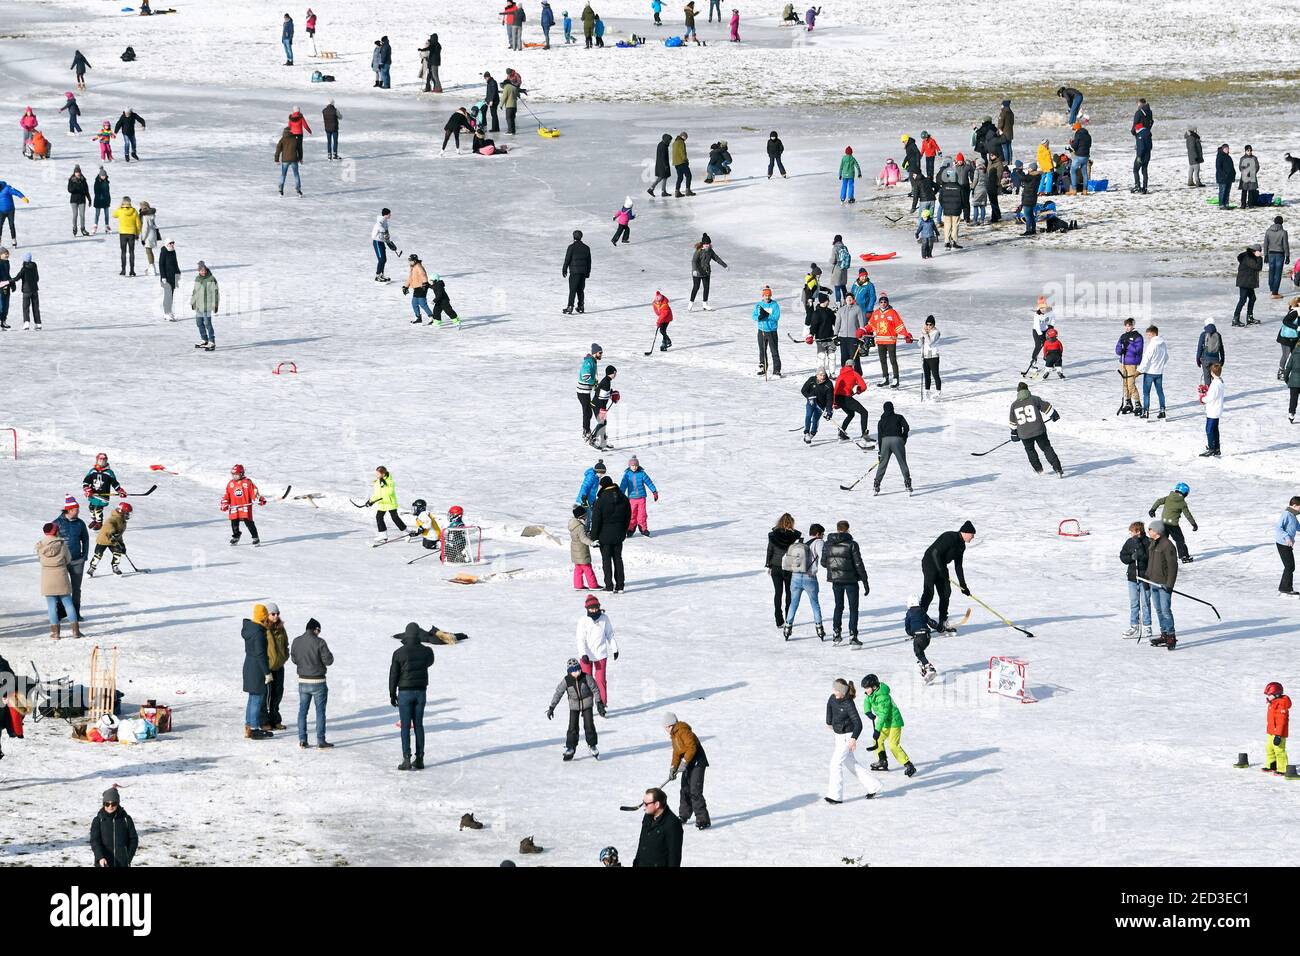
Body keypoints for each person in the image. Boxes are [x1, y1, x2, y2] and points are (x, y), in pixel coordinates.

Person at [824, 678, 880, 804]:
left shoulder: (848, 703)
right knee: (851, 763)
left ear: (842, 691)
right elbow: (829, 707)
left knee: (835, 763)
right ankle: (874, 785)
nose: (833, 691)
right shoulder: (832, 698)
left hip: (847, 737)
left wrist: (853, 739)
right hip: (838, 736)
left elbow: (858, 724)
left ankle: (835, 796)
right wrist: (829, 721)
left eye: (836, 689)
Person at [390, 622, 434, 769]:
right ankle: (420, 758)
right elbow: (429, 662)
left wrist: (392, 693)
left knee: (405, 727)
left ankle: (407, 759)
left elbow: (393, 675)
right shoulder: (427, 651)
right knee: (419, 725)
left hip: (405, 693)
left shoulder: (399, 653)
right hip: (421, 692)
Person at [919, 522, 974, 632]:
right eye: (972, 535)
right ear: (966, 532)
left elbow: (958, 566)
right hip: (930, 562)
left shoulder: (961, 546)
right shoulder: (949, 537)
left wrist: (963, 585)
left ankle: (943, 621)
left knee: (946, 592)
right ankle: (919, 620)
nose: (973, 537)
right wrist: (941, 570)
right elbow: (935, 553)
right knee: (929, 593)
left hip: (941, 567)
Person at [822, 519, 869, 646]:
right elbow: (858, 563)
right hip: (851, 580)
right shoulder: (852, 544)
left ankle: (836, 633)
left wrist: (834, 568)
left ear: (837, 529)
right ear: (847, 529)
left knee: (838, 606)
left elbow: (823, 562)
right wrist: (865, 580)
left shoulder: (828, 544)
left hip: (836, 580)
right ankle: (853, 636)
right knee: (853, 608)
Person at [548, 656, 604, 760]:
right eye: (574, 671)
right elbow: (558, 693)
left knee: (589, 725)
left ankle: (592, 745)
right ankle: (571, 747)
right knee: (572, 727)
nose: (577, 672)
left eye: (578, 669)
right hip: (574, 705)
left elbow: (595, 689)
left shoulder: (586, 677)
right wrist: (552, 707)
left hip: (586, 703)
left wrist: (599, 703)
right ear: (569, 672)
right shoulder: (566, 680)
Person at [289, 617, 333, 748]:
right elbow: (328, 661)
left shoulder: (296, 641)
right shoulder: (320, 642)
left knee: (302, 711)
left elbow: (294, 659)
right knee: (320, 712)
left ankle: (302, 740)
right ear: (316, 629)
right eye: (319, 631)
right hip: (318, 681)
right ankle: (321, 741)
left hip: (303, 681)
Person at [862, 673, 916, 775]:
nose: (865, 690)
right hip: (886, 723)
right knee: (877, 740)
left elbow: (883, 715)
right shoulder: (871, 694)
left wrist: (877, 730)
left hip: (894, 722)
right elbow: (867, 701)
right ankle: (882, 761)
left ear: (874, 687)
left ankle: (909, 765)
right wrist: (868, 711)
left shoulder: (883, 697)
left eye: (867, 688)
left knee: (893, 745)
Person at [1009, 381, 1064, 476]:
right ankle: (1058, 469)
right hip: (1039, 430)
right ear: (1027, 390)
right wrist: (1054, 415)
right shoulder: (1034, 399)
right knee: (1046, 448)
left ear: (1018, 392)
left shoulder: (1014, 405)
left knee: (1030, 451)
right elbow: (1047, 408)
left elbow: (1013, 423)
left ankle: (1039, 470)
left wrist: (1014, 433)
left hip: (1024, 434)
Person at [38, 522, 80, 640]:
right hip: (61, 575)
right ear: (55, 531)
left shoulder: (40, 545)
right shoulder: (62, 545)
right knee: (68, 603)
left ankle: (55, 633)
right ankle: (75, 632)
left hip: (47, 577)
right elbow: (68, 559)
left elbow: (39, 559)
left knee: (51, 606)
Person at [783, 523, 825, 639]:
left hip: (795, 576)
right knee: (815, 604)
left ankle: (787, 627)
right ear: (817, 534)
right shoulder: (818, 542)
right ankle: (819, 628)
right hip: (810, 577)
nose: (823, 537)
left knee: (793, 603)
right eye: (822, 534)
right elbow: (823, 557)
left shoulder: (800, 539)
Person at [590, 475, 630, 591]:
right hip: (619, 535)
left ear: (603, 486)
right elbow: (628, 517)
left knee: (606, 560)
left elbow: (596, 520)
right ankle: (620, 586)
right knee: (618, 559)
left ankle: (609, 585)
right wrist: (624, 531)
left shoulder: (601, 500)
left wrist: (594, 537)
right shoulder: (623, 498)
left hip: (604, 536)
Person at [53, 495, 89, 618]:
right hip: (62, 561)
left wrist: (84, 555)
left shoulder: (80, 523)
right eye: (75, 510)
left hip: (77, 560)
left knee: (76, 589)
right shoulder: (57, 523)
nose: (78, 512)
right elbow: (52, 542)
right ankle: (61, 612)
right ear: (69, 510)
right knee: (61, 587)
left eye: (78, 509)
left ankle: (76, 613)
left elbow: (85, 539)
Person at [242, 604, 273, 739]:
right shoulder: (258, 633)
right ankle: (254, 729)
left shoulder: (250, 628)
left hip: (249, 666)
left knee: (252, 697)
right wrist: (267, 673)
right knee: (257, 698)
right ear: (263, 617)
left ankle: (249, 726)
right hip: (256, 669)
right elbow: (260, 654)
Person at [1145, 522, 1178, 649]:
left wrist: (1170, 584)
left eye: (1150, 529)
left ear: (1157, 531)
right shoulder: (1153, 543)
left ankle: (1171, 636)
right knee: (1158, 609)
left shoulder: (1168, 546)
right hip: (1153, 582)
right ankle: (1164, 633)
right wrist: (1147, 576)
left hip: (1164, 583)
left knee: (1165, 610)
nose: (1148, 531)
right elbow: (1151, 563)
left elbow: (1173, 567)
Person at [765, 513, 801, 629]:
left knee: (778, 593)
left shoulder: (773, 535)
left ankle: (778, 619)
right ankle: (788, 619)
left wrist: (769, 565)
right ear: (792, 523)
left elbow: (769, 550)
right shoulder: (795, 536)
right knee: (789, 593)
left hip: (775, 566)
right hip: (789, 567)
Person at [632, 786, 682, 867]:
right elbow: (642, 843)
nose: (644, 807)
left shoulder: (672, 824)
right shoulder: (647, 816)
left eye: (646, 804)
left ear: (657, 804)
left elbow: (674, 855)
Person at [868, 294, 910, 388]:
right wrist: (863, 330)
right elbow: (871, 325)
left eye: (885, 302)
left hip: (890, 340)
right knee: (882, 360)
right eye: (881, 302)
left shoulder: (892, 312)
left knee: (893, 360)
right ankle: (885, 378)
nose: (883, 304)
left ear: (888, 303)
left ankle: (895, 379)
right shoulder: (876, 313)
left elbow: (899, 325)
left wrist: (906, 335)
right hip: (880, 340)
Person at [1149, 482, 1197, 564]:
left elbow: (1158, 501)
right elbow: (1188, 515)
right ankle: (1184, 556)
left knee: (1162, 540)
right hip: (1173, 526)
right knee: (1180, 540)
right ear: (1185, 493)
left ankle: (1156, 555)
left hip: (1163, 523)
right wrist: (1193, 524)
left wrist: (1152, 510)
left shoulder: (1168, 497)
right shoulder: (1182, 503)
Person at [1120, 521, 1153, 640]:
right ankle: (1134, 626)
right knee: (1134, 603)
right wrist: (1131, 558)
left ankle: (1147, 626)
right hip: (1132, 577)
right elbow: (1122, 556)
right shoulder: (1129, 542)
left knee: (1145, 603)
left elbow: (1149, 557)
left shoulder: (1148, 542)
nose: (1130, 534)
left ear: (1138, 531)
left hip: (1145, 577)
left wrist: (1140, 553)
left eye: (1132, 532)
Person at [90, 788, 138, 867]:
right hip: (104, 863)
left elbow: (133, 839)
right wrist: (100, 857)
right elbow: (95, 841)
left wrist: (128, 858)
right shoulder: (98, 820)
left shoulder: (126, 819)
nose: (110, 806)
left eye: (113, 804)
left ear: (118, 804)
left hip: (122, 864)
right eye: (107, 804)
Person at [873, 401, 911, 495]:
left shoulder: (881, 421)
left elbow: (880, 436)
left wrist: (880, 451)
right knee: (902, 463)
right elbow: (906, 427)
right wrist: (904, 437)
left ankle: (876, 484)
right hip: (897, 440)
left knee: (882, 464)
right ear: (893, 408)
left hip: (885, 442)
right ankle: (907, 483)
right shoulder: (899, 417)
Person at [82, 452, 127, 531]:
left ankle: (99, 523)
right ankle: (94, 520)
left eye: (104, 459)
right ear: (97, 460)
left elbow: (114, 483)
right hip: (93, 494)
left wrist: (120, 490)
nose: (102, 461)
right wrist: (87, 489)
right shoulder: (93, 471)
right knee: (91, 507)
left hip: (103, 495)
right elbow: (86, 481)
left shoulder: (109, 472)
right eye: (100, 459)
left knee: (98, 508)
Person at [222, 463, 264, 545]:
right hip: (234, 506)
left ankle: (255, 537)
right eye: (233, 474)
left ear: (241, 473)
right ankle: (236, 536)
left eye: (236, 474)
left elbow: (254, 491)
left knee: (248, 522)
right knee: (234, 522)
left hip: (245, 506)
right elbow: (227, 495)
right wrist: (225, 503)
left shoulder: (247, 482)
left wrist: (259, 499)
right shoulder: (230, 484)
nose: (234, 476)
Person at [87, 501, 131, 579]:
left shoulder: (123, 522)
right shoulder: (113, 518)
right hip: (104, 539)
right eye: (127, 513)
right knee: (98, 554)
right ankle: (91, 569)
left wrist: (122, 544)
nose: (128, 515)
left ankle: (115, 567)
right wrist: (112, 532)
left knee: (118, 552)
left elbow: (120, 534)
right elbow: (109, 525)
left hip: (113, 540)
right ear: (121, 512)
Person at [1136, 324, 1168, 419]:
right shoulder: (1163, 344)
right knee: (1160, 392)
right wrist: (1160, 365)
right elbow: (1166, 357)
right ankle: (1162, 411)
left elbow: (1146, 359)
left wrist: (1138, 371)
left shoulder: (1152, 345)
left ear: (1154, 334)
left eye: (1149, 335)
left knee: (1146, 393)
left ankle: (1145, 412)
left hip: (1150, 373)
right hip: (1159, 372)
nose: (1147, 337)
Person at [620, 455, 658, 536]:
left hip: (641, 498)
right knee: (632, 514)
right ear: (629, 466)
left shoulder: (642, 473)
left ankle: (643, 528)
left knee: (642, 514)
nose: (634, 467)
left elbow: (649, 482)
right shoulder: (627, 475)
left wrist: (654, 491)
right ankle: (630, 528)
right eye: (632, 466)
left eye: (636, 465)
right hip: (631, 498)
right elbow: (623, 485)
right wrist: (620, 495)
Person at [832, 361, 869, 443]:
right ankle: (864, 435)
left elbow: (836, 388)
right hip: (846, 398)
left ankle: (841, 433)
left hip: (838, 398)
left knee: (851, 414)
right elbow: (863, 386)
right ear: (853, 366)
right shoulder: (854, 373)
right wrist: (859, 390)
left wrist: (834, 402)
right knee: (864, 412)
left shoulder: (840, 374)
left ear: (845, 365)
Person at [1114, 317, 1144, 415]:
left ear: (1133, 325)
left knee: (1131, 384)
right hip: (1123, 362)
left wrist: (1128, 346)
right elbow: (1117, 349)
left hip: (1132, 363)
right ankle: (1128, 402)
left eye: (1129, 325)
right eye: (1126, 326)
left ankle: (1137, 403)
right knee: (1125, 384)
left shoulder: (1137, 336)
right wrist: (1121, 350)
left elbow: (1138, 350)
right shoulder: (1123, 336)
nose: (1127, 327)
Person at [690, 234, 727, 311]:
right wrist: (694, 270)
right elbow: (694, 261)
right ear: (703, 244)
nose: (707, 245)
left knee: (706, 288)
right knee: (696, 287)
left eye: (708, 244)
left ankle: (705, 304)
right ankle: (691, 303)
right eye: (705, 244)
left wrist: (725, 266)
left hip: (706, 272)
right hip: (697, 272)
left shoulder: (710, 251)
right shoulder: (698, 251)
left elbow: (717, 258)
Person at [369, 466, 406, 541]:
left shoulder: (389, 481)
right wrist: (370, 501)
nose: (376, 475)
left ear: (383, 474)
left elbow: (389, 492)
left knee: (395, 518)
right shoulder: (377, 482)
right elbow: (376, 494)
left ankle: (406, 532)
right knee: (379, 517)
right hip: (382, 503)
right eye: (376, 473)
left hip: (390, 503)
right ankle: (383, 535)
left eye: (378, 474)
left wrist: (384, 484)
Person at [904, 596, 936, 681]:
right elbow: (931, 622)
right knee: (921, 653)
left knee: (918, 652)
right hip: (927, 637)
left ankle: (928, 667)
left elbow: (907, 627)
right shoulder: (922, 611)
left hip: (918, 637)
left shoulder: (909, 613)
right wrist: (940, 628)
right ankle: (923, 666)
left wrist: (911, 633)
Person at [752, 285, 781, 375]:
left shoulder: (774, 305)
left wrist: (767, 315)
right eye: (765, 295)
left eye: (769, 296)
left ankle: (776, 370)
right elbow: (754, 316)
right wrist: (759, 317)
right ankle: (763, 368)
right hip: (762, 330)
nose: (767, 297)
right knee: (762, 350)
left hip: (772, 330)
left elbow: (776, 317)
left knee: (774, 351)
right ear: (763, 296)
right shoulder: (758, 305)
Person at [191, 260, 219, 350]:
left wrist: (215, 304)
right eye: (201, 270)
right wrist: (193, 302)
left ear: (206, 270)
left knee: (207, 323)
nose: (203, 272)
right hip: (199, 306)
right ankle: (204, 340)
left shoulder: (211, 279)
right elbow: (195, 291)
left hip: (207, 305)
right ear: (198, 271)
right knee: (199, 323)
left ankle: (212, 341)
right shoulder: (197, 278)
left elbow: (215, 292)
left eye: (204, 270)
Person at [835, 290, 865, 374]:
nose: (849, 299)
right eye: (847, 298)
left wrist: (861, 337)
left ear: (853, 299)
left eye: (850, 298)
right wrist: (835, 335)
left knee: (854, 357)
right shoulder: (841, 310)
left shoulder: (857, 309)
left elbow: (861, 324)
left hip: (854, 337)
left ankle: (857, 374)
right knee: (844, 357)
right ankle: (845, 374)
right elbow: (837, 323)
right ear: (845, 299)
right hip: (843, 337)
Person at [569, 505, 599, 590]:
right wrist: (592, 543)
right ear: (581, 517)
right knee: (587, 567)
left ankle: (578, 585)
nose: (586, 518)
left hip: (575, 550)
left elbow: (581, 536)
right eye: (585, 516)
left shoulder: (573, 525)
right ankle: (593, 585)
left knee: (578, 568)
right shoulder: (580, 527)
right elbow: (583, 538)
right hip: (581, 550)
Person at [1264, 682, 1291, 775]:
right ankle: (1272, 765)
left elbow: (1281, 722)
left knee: (1279, 750)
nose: (1267, 696)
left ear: (1276, 694)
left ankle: (1282, 769)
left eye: (1269, 695)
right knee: (1269, 748)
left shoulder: (1281, 705)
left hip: (1279, 733)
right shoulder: (1272, 703)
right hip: (1272, 732)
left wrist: (1278, 735)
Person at [800, 369, 833, 444]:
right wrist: (809, 397)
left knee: (815, 419)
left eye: (824, 375)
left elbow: (830, 399)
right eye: (820, 375)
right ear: (817, 375)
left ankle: (812, 433)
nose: (822, 377)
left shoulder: (829, 384)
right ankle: (806, 433)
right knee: (808, 415)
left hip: (821, 405)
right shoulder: (812, 380)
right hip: (811, 402)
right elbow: (803, 390)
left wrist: (829, 410)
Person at [562, 229, 591, 314]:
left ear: (573, 236)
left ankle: (570, 306)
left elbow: (567, 259)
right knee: (580, 290)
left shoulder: (571, 247)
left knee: (573, 290)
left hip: (574, 272)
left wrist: (564, 269)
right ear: (581, 237)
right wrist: (588, 272)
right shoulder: (586, 248)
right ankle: (581, 306)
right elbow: (589, 261)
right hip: (583, 272)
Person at [576, 344, 602, 436]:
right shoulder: (588, 362)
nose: (601, 354)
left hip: (586, 391)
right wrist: (593, 382)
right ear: (595, 353)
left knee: (588, 412)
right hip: (582, 392)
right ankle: (586, 432)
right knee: (587, 412)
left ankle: (586, 430)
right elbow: (585, 376)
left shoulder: (593, 361)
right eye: (600, 353)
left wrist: (595, 384)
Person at [1233, 245, 1262, 326]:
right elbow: (1257, 267)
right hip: (1245, 282)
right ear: (1255, 251)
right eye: (1259, 251)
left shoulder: (1250, 256)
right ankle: (1235, 319)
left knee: (1252, 298)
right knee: (1242, 300)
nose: (1260, 253)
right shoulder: (1248, 257)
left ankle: (1250, 318)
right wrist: (1259, 258)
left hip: (1248, 282)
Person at [111, 197, 140, 276]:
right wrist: (137, 233)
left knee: (123, 252)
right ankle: (132, 271)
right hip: (132, 234)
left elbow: (113, 214)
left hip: (123, 234)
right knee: (131, 252)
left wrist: (120, 206)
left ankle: (123, 270)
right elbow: (138, 224)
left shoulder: (120, 211)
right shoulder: (134, 211)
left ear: (123, 202)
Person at [1264, 216, 1291, 299]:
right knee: (1278, 273)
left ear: (1274, 222)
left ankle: (1272, 287)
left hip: (1271, 253)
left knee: (1271, 271)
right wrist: (1287, 256)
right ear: (1282, 222)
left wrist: (1265, 255)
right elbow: (1285, 245)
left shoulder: (1268, 231)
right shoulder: (1283, 232)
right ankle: (1275, 292)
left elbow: (1265, 244)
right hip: (1280, 254)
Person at [403, 253, 434, 322]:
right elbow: (410, 278)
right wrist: (405, 287)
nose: (410, 262)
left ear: (415, 261)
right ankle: (418, 318)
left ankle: (432, 317)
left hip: (422, 287)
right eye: (409, 261)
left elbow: (423, 274)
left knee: (422, 303)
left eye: (411, 261)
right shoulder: (412, 267)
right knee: (414, 303)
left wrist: (425, 283)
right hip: (416, 288)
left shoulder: (418, 266)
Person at [1196, 317, 1225, 388]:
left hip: (1205, 359)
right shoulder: (1218, 335)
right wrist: (1222, 359)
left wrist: (1198, 360)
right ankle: (1217, 393)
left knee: (1207, 377)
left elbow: (1199, 348)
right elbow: (1221, 348)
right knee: (1216, 377)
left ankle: (1208, 394)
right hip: (1216, 359)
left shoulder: (1203, 334)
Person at [1202, 363, 1223, 458]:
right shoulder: (1220, 382)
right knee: (1215, 429)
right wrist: (1207, 391)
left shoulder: (1215, 384)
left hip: (1213, 410)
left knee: (1209, 430)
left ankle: (1211, 448)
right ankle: (1216, 448)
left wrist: (1203, 398)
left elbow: (1210, 397)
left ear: (1213, 373)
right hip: (1217, 409)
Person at [274, 125, 303, 197]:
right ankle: (298, 191)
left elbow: (278, 149)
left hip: (285, 160)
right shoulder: (295, 139)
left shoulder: (282, 139)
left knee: (283, 175)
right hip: (294, 159)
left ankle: (281, 191)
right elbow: (299, 149)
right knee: (296, 175)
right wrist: (300, 158)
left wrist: (276, 159)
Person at [16, 253, 40, 329]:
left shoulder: (24, 268)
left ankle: (26, 323)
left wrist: (9, 281)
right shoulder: (34, 266)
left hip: (26, 291)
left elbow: (17, 278)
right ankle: (38, 323)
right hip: (35, 290)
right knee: (36, 307)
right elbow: (37, 278)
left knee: (26, 307)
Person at [919, 315, 941, 398]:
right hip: (926, 356)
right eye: (927, 324)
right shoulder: (926, 332)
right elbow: (919, 344)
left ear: (933, 325)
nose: (928, 326)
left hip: (933, 356)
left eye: (930, 324)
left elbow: (929, 342)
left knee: (935, 375)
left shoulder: (936, 332)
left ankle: (938, 392)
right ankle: (927, 391)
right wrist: (921, 336)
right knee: (926, 375)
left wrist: (925, 334)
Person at [649, 132, 672, 197]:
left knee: (664, 177)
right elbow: (663, 157)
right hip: (662, 165)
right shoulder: (663, 146)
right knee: (661, 178)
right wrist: (665, 166)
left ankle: (663, 191)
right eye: (670, 140)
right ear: (667, 139)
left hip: (661, 164)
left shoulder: (662, 144)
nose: (670, 141)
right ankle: (651, 189)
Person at [671, 131, 694, 197]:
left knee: (680, 177)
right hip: (682, 162)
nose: (686, 139)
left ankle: (677, 192)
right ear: (683, 137)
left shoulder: (674, 142)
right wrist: (685, 160)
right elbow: (682, 152)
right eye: (686, 138)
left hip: (676, 163)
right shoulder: (681, 142)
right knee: (689, 175)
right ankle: (688, 191)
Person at [1238, 144, 1259, 209]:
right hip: (1245, 177)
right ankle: (1243, 204)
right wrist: (1245, 173)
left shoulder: (1254, 158)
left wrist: (1253, 172)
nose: (1249, 152)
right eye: (1248, 150)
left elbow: (1257, 167)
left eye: (1250, 150)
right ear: (1245, 151)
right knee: (1244, 191)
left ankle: (1250, 204)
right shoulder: (1242, 158)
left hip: (1252, 177)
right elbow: (1240, 167)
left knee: (1251, 191)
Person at [1215, 143, 1235, 209]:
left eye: (1228, 148)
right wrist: (1224, 174)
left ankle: (1226, 204)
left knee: (1227, 192)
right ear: (1223, 149)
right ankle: (1221, 205)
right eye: (1226, 149)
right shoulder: (1219, 157)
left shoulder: (1228, 157)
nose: (1227, 150)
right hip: (1222, 178)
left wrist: (1233, 174)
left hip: (1229, 178)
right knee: (1222, 191)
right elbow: (1218, 167)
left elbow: (1232, 167)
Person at [92, 167, 111, 233]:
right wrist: (100, 196)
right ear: (100, 176)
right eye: (102, 176)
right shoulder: (97, 182)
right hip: (99, 200)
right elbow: (96, 191)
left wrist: (108, 198)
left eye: (104, 176)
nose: (103, 177)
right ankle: (95, 226)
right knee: (97, 214)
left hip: (106, 200)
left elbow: (108, 191)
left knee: (107, 214)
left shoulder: (106, 181)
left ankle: (107, 226)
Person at [1284, 341, 1300, 423]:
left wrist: (1286, 378)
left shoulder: (1294, 354)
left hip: (1294, 381)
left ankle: (1291, 414)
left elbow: (1288, 367)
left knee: (1293, 399)